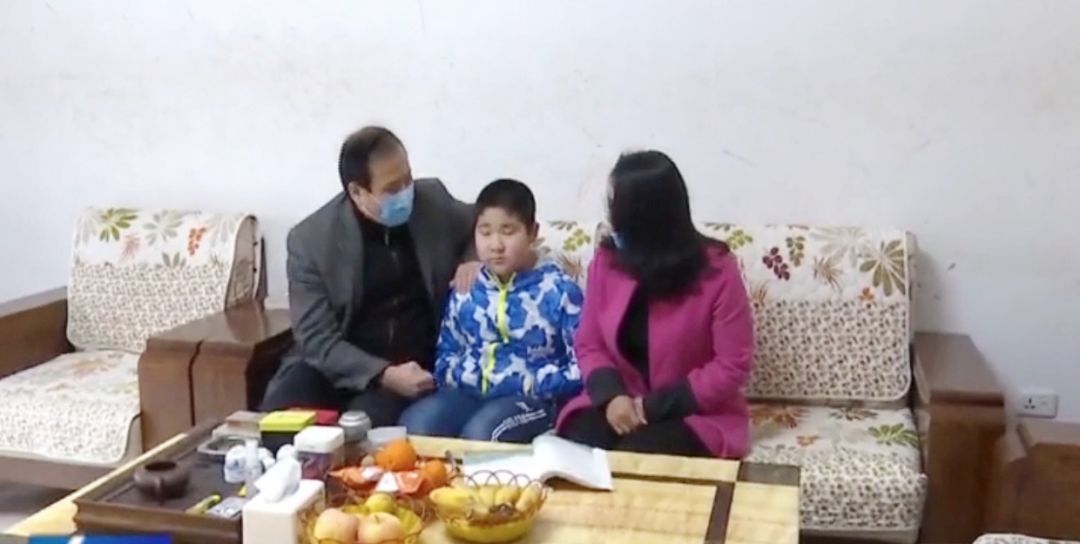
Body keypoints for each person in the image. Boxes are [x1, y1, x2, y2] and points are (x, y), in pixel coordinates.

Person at [261, 126, 480, 426]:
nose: (405, 193)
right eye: (392, 189)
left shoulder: (432, 202)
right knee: (281, 419)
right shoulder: (311, 240)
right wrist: (382, 373)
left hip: (409, 368)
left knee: (366, 430)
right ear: (357, 192)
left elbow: (482, 223)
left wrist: (472, 260)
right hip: (333, 364)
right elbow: (315, 340)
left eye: (408, 180)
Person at [556, 150, 755, 458]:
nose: (610, 214)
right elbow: (589, 344)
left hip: (692, 412)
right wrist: (612, 397)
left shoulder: (717, 271)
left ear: (643, 213)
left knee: (637, 459)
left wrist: (650, 407)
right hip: (620, 402)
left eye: (616, 204)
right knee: (577, 446)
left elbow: (731, 364)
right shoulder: (607, 262)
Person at [399, 179, 584, 443]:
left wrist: (534, 383)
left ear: (532, 232)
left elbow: (581, 363)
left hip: (531, 398)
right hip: (469, 393)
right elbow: (447, 351)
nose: (496, 245)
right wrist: (460, 375)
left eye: (508, 232)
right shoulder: (467, 287)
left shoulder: (559, 291)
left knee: (482, 434)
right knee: (414, 426)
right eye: (485, 233)